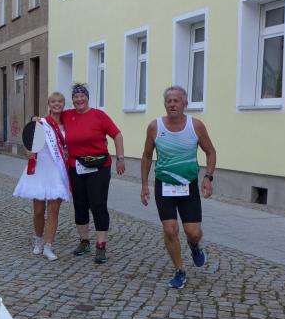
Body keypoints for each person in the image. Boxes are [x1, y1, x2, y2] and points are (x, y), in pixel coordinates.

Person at [140, 85, 217, 289]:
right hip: (164, 184)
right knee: (170, 229)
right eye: (169, 101)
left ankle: (194, 246)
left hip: (188, 185)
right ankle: (180, 270)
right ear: (165, 104)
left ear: (185, 103)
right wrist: (144, 185)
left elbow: (210, 151)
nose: (172, 104)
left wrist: (208, 177)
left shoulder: (195, 125)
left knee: (193, 232)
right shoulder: (155, 127)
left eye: (176, 101)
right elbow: (146, 156)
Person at [62, 83, 125, 264]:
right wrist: (36, 119)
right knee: (80, 204)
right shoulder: (67, 115)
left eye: (82, 96)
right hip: (76, 166)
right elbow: (51, 120)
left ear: (87, 98)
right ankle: (84, 242)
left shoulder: (99, 115)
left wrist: (120, 158)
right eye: (76, 97)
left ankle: (101, 245)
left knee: (98, 205)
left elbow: (117, 135)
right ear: (72, 100)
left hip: (99, 166)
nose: (79, 99)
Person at [13, 92, 71, 260]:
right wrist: (29, 152)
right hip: (40, 169)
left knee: (54, 211)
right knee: (38, 211)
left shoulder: (68, 125)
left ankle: (48, 246)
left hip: (57, 171)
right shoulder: (41, 123)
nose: (57, 104)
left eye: (60, 101)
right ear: (49, 104)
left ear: (64, 104)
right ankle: (38, 240)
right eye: (53, 101)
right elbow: (30, 143)